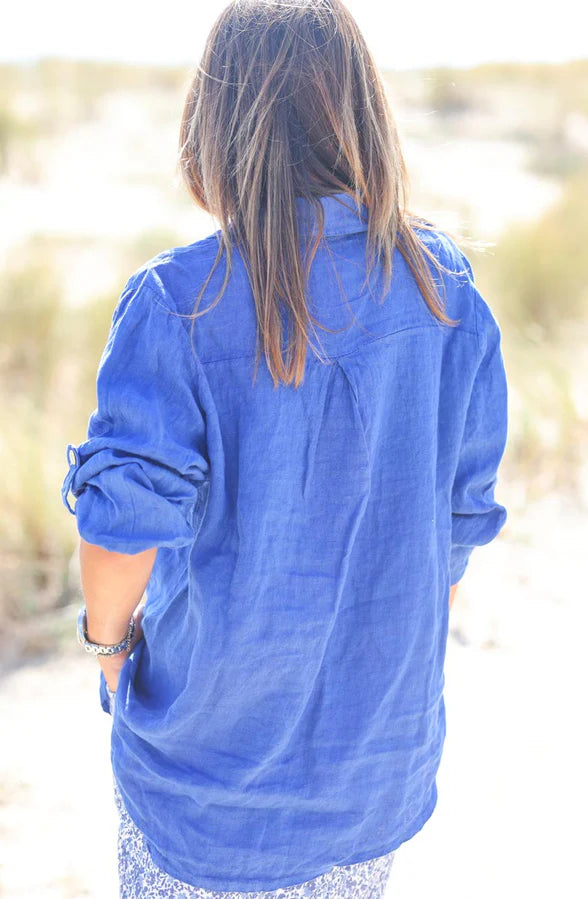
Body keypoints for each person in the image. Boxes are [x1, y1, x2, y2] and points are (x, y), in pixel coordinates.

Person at [60, 1, 509, 896]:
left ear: (214, 126)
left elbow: (120, 533)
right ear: (363, 119)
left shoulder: (179, 301)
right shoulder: (444, 286)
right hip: (371, 771)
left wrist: (106, 647)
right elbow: (457, 532)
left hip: (206, 784)